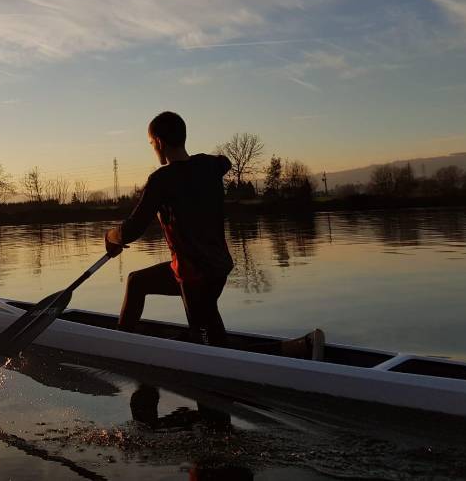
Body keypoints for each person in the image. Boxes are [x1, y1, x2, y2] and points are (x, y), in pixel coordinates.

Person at [105, 111, 323, 359]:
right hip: (214, 267)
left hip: (194, 276)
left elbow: (131, 230)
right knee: (137, 282)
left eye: (151, 143)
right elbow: (225, 161)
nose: (152, 147)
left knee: (210, 349)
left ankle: (299, 349)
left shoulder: (160, 180)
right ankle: (120, 342)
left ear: (159, 142)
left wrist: (110, 237)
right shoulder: (210, 166)